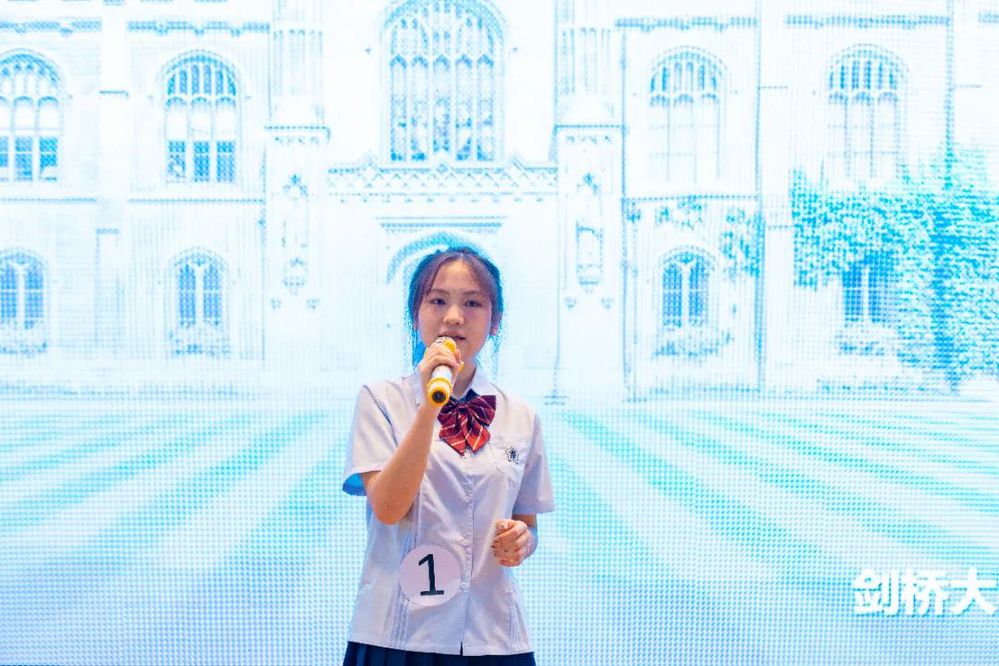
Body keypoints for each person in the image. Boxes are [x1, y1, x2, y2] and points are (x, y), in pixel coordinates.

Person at [342, 246, 556, 666]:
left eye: (472, 303)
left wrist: (522, 540)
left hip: (492, 636)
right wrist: (429, 406)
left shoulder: (521, 415)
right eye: (438, 300)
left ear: (495, 321)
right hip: (398, 634)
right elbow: (388, 507)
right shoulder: (380, 400)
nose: (454, 316)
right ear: (415, 314)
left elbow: (527, 524)